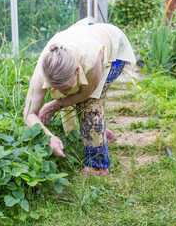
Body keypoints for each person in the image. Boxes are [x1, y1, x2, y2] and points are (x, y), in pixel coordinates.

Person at [23, 17, 136, 176]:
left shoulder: (91, 60)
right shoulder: (44, 70)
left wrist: (54, 105)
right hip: (87, 36)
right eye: (57, 89)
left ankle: (98, 163)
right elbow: (28, 114)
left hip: (113, 47)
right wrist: (49, 137)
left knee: (89, 105)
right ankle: (99, 134)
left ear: (78, 70)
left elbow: (85, 93)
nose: (62, 94)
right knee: (81, 102)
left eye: (66, 88)